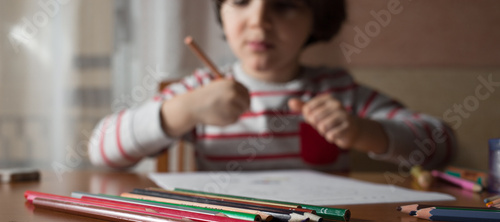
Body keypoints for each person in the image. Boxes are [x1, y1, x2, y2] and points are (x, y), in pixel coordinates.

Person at [88, 0, 456, 172]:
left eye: (284, 5)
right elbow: (101, 152)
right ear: (221, 11)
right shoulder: (200, 89)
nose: (259, 20)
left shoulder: (337, 88)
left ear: (317, 18)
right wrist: (181, 111)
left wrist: (366, 133)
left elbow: (441, 144)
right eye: (242, 1)